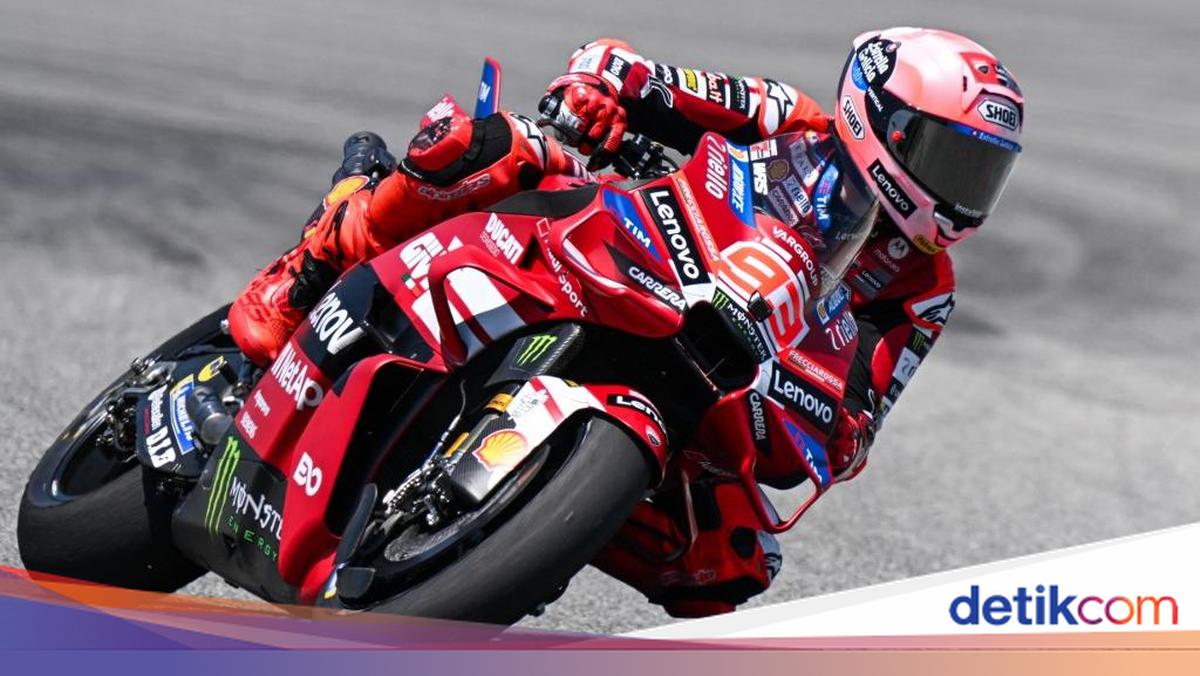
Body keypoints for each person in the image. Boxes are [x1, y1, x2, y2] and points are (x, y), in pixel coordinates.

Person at [226, 27, 1024, 617]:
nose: (964, 193)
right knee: (491, 149)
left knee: (730, 563)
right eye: (952, 158)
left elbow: (852, 428)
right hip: (618, 256)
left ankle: (518, 532)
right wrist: (598, 95)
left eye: (984, 172)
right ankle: (311, 266)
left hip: (717, 388)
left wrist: (804, 406)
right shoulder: (789, 122)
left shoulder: (924, 290)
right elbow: (628, 71)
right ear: (881, 121)